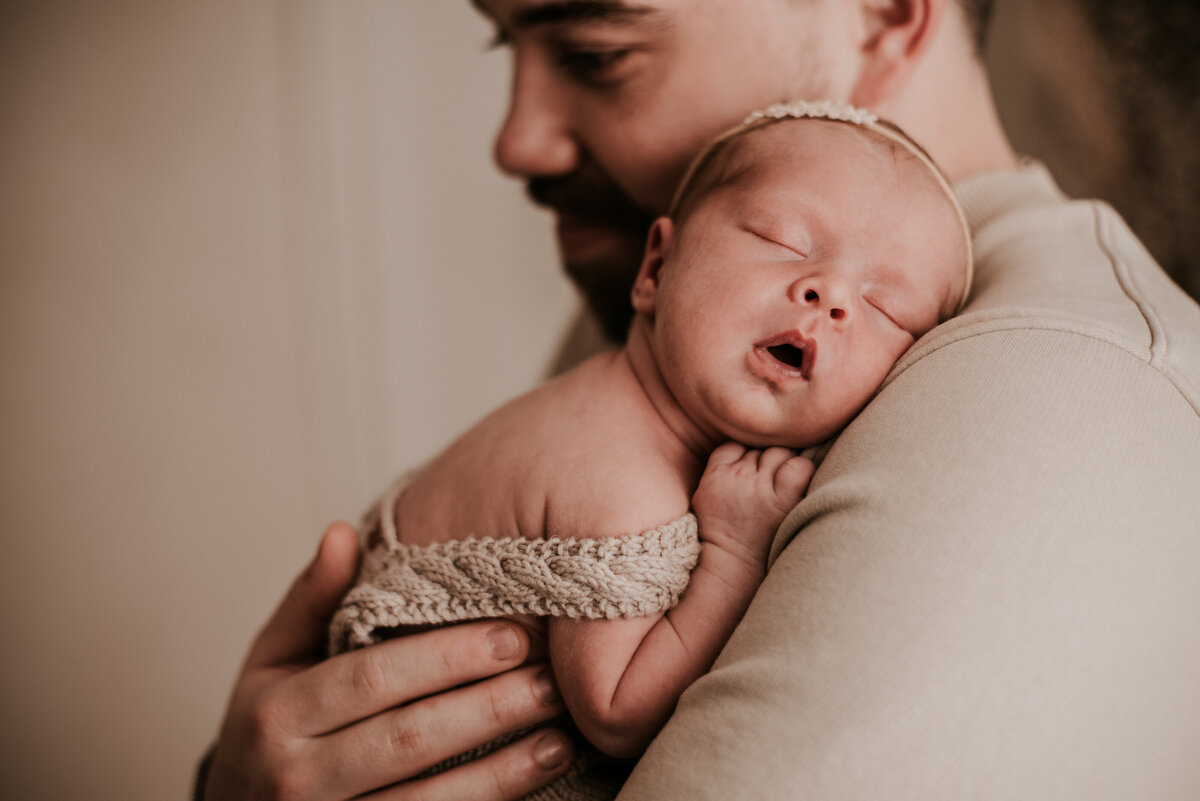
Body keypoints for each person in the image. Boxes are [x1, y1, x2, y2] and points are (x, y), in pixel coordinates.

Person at [200, 1, 1200, 799]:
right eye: (505, 44)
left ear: (885, 13)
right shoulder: (679, 333)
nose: (517, 139)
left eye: (596, 50)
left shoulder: (1050, 407)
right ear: (660, 266)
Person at [326, 105, 973, 798]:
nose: (830, 294)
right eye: (782, 240)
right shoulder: (618, 473)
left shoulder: (615, 407)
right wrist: (733, 554)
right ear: (657, 266)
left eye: (886, 307)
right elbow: (616, 711)